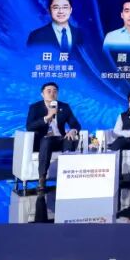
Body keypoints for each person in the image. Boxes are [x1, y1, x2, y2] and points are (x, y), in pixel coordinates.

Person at [24, 82, 81, 222]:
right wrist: (47, 117)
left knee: (69, 140)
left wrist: (73, 130)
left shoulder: (64, 107)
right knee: (46, 140)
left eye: (55, 91)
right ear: (42, 94)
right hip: (44, 140)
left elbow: (75, 123)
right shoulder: (35, 107)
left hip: (60, 138)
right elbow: (29, 126)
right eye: (48, 91)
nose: (52, 93)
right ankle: (42, 179)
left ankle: (66, 178)